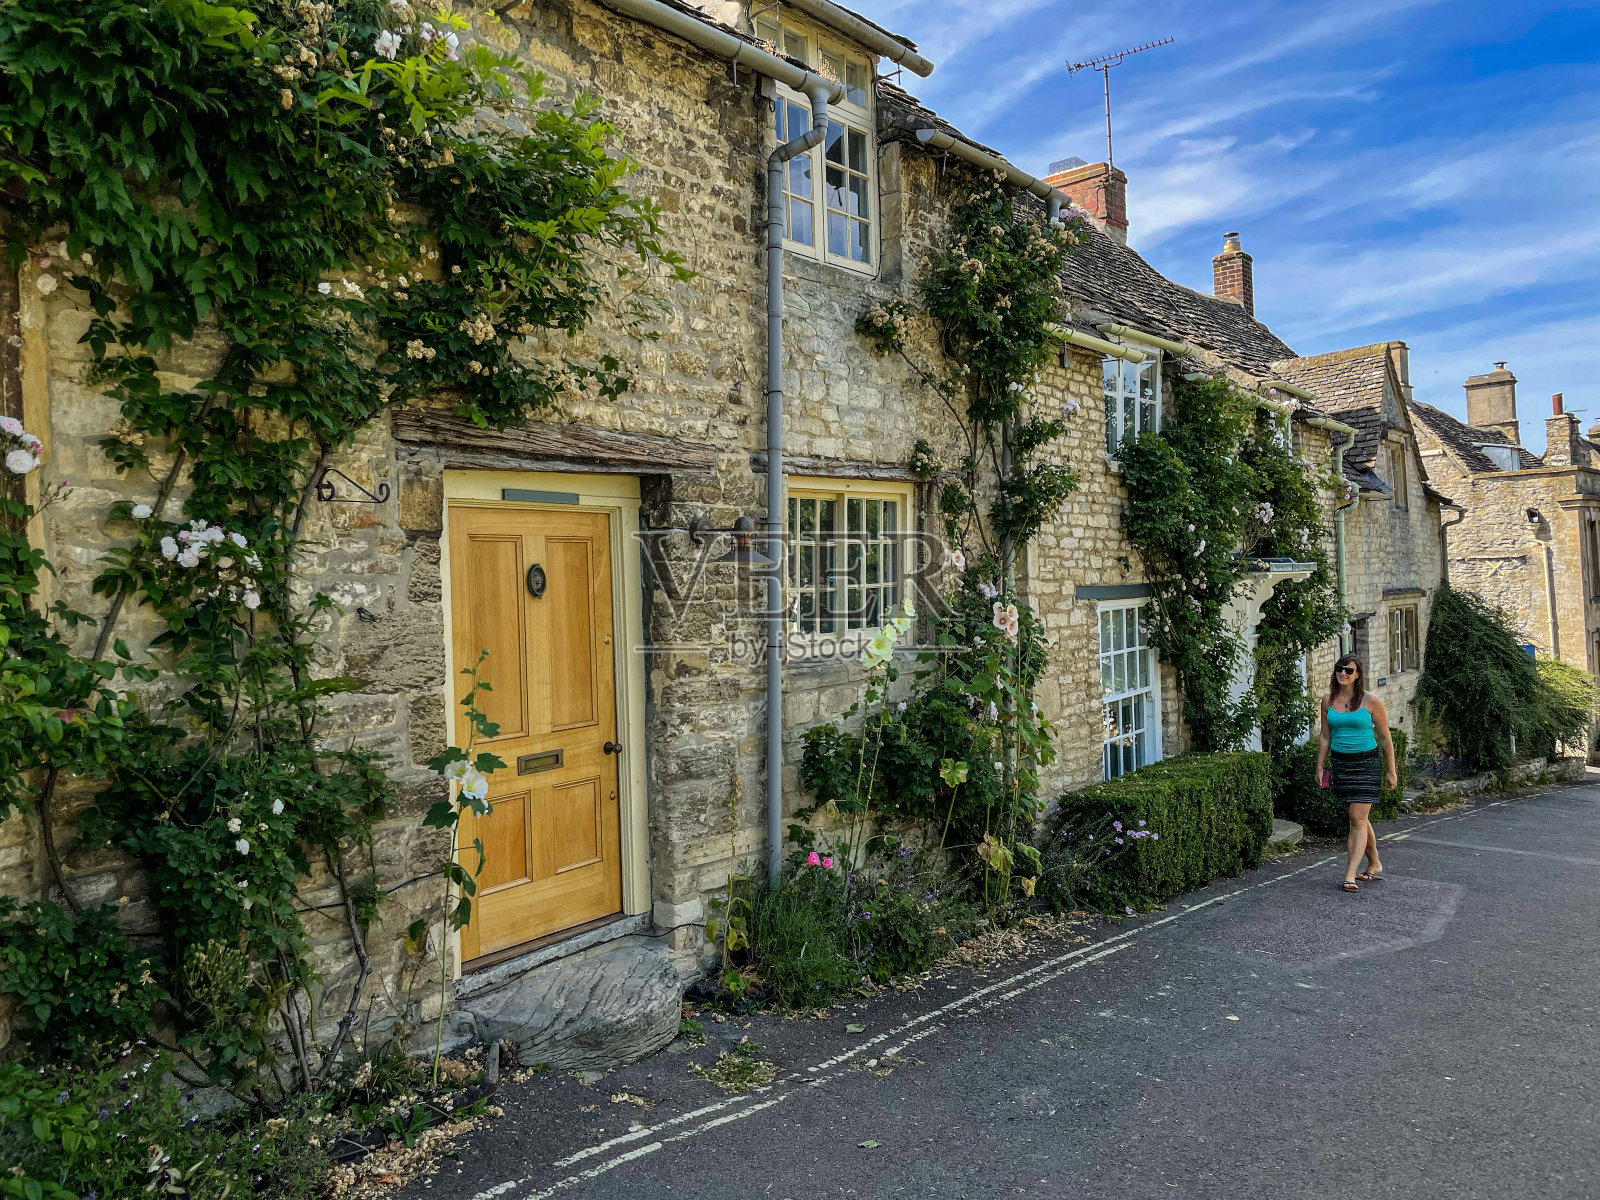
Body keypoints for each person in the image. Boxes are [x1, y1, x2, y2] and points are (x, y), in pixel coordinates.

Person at [1316, 653, 1397, 893]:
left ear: (1357, 674)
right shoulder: (1327, 700)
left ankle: (1350, 874)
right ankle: (1374, 862)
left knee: (1357, 818)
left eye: (1348, 670)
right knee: (1358, 818)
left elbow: (1385, 738)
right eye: (1339, 669)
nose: (1343, 673)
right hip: (1341, 763)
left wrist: (1392, 771)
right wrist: (1320, 766)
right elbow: (1324, 735)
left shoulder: (1370, 701)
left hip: (1366, 764)